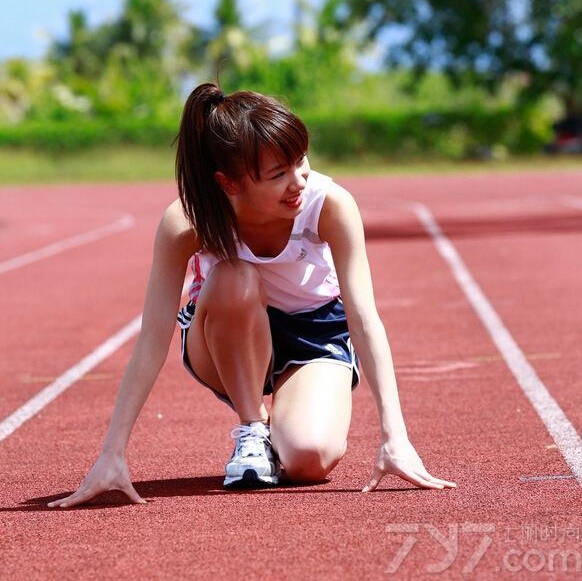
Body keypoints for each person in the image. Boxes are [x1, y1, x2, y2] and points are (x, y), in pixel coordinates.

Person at [48, 83, 456, 507]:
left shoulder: (330, 205)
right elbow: (152, 337)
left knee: (309, 460)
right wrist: (112, 451)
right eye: (279, 174)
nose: (299, 182)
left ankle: (286, 425)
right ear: (228, 183)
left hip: (314, 333)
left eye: (301, 162)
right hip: (224, 337)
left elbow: (364, 318)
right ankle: (253, 429)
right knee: (234, 276)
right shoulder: (186, 222)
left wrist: (395, 436)